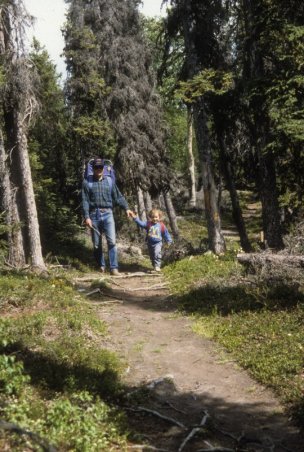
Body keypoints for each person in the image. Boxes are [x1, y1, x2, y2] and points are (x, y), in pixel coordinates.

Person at [82, 157, 133, 275]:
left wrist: (127, 208)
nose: (98, 169)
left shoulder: (110, 181)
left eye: (100, 167)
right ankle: (101, 266)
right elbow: (84, 200)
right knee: (96, 244)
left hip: (108, 214)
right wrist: (86, 217)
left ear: (104, 168)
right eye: (96, 167)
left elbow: (118, 196)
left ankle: (114, 268)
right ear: (93, 168)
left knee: (112, 242)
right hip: (93, 215)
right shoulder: (87, 182)